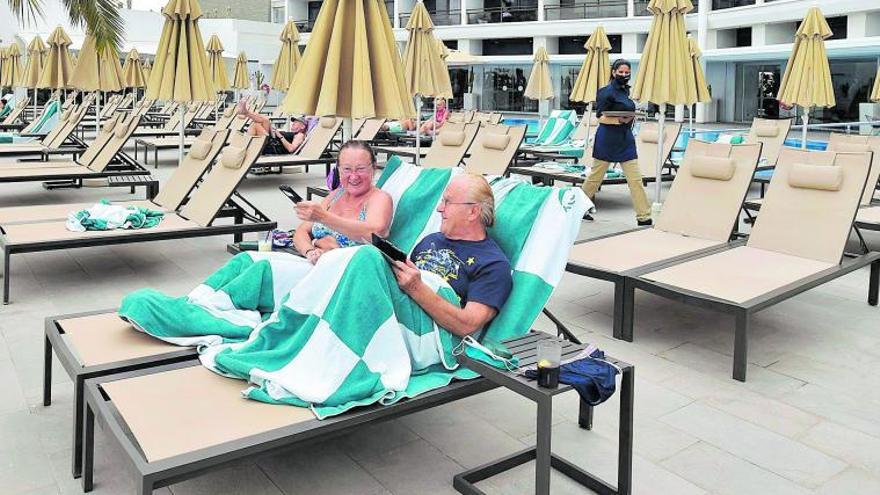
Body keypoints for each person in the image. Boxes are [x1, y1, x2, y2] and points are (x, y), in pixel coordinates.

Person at [391, 174, 513, 337]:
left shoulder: (493, 264)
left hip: (429, 338)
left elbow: (467, 325)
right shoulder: (430, 240)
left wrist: (416, 288)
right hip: (395, 317)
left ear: (472, 211)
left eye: (447, 202)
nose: (439, 208)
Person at [292, 140, 393, 265]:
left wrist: (323, 217)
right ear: (338, 169)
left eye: (360, 169)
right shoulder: (336, 195)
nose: (354, 176)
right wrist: (310, 251)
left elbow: (375, 232)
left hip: (349, 272)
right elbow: (301, 231)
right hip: (314, 263)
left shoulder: (379, 198)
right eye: (347, 169)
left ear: (374, 167)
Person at [581, 59, 653, 226]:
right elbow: (600, 117)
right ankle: (579, 208)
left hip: (625, 140)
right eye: (620, 72)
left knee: (635, 180)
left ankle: (644, 216)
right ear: (613, 72)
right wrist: (621, 120)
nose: (624, 75)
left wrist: (630, 118)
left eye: (627, 72)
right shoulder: (605, 92)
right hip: (607, 139)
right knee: (594, 179)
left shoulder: (625, 91)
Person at [237, 99, 307, 155]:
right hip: (271, 141)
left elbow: (291, 149)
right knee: (263, 121)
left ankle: (245, 113)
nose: (293, 123)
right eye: (293, 122)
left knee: (257, 125)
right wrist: (273, 130)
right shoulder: (292, 133)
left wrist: (279, 135)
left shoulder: (300, 135)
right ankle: (245, 112)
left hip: (274, 146)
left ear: (302, 126)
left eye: (296, 122)